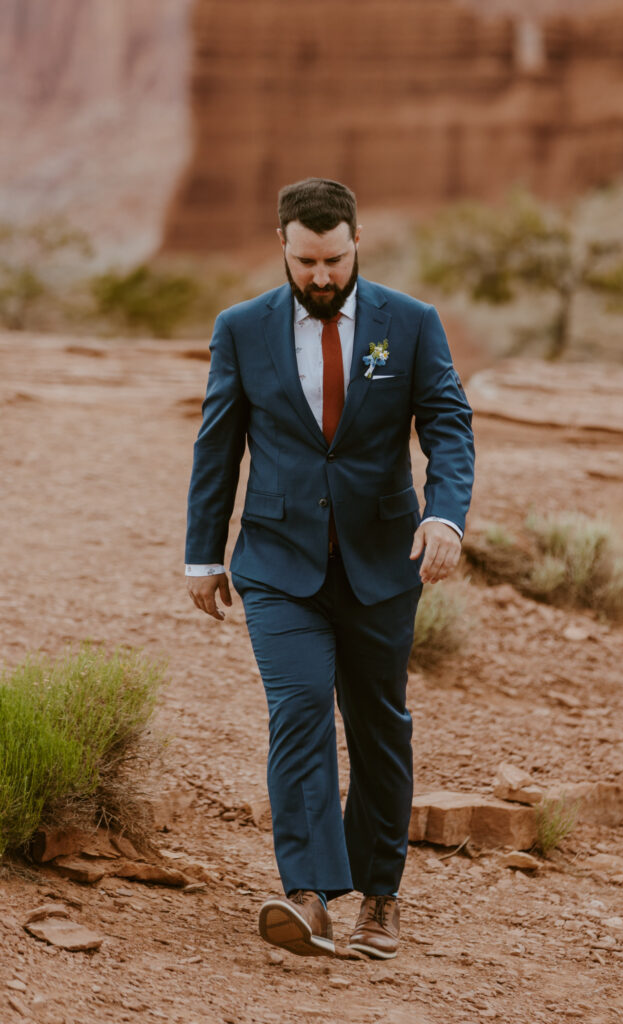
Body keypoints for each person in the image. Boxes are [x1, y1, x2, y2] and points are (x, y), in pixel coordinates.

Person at [185, 178, 474, 960]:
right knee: (300, 706)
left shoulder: (407, 323)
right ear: (281, 244)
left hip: (383, 559)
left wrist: (445, 514)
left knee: (379, 728)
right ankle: (308, 894)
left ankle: (379, 899)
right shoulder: (241, 327)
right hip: (278, 561)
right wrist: (202, 554)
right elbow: (219, 444)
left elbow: (447, 423)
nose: (321, 276)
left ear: (356, 245)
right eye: (307, 261)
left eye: (335, 261)